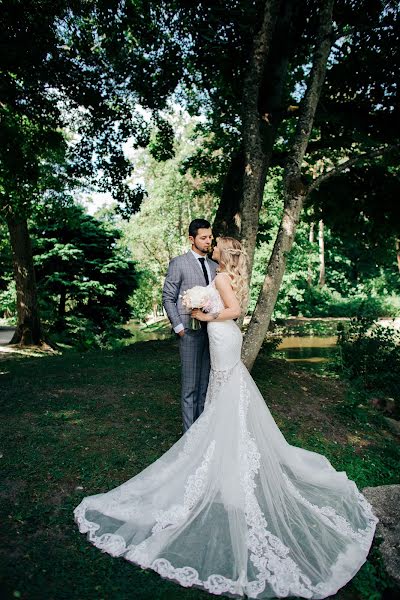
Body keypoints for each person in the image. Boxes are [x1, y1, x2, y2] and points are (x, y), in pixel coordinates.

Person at [74, 236, 378, 599]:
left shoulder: (220, 278)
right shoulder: (223, 273)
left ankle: (227, 452)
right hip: (222, 338)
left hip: (222, 333)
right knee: (223, 389)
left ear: (222, 252)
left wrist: (203, 314)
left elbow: (235, 312)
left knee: (224, 387)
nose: (212, 245)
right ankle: (226, 448)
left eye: (217, 243)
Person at [162, 218, 218, 432]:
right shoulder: (179, 263)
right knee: (189, 388)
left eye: (210, 237)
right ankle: (189, 438)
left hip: (212, 332)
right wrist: (179, 328)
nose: (208, 241)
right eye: (203, 238)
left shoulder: (215, 266)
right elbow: (168, 297)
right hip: (188, 332)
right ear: (191, 239)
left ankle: (201, 434)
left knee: (205, 386)